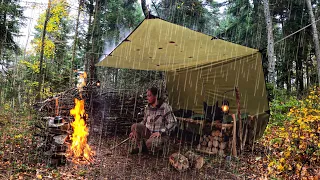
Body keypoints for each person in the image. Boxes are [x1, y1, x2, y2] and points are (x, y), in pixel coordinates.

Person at [129, 87, 177, 154]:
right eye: (147, 96)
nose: (147, 98)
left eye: (149, 95)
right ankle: (141, 148)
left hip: (161, 135)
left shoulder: (165, 107)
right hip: (149, 132)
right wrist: (134, 131)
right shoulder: (147, 108)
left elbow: (173, 122)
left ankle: (159, 148)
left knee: (149, 143)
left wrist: (161, 132)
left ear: (156, 96)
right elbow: (144, 121)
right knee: (134, 126)